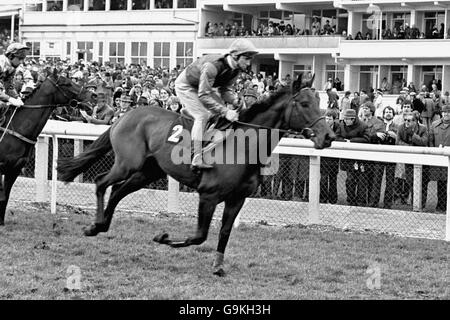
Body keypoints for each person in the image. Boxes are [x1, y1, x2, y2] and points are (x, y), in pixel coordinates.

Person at [175, 38, 257, 169]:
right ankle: (196, 157)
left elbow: (224, 90)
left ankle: (205, 141)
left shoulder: (236, 70)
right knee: (202, 115)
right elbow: (203, 95)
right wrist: (225, 111)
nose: (248, 63)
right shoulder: (213, 66)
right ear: (236, 56)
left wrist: (235, 101)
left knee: (219, 113)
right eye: (246, 58)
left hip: (204, 87)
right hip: (187, 85)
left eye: (250, 59)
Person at [0, 42, 29, 201]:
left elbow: (8, 86)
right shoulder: (0, 64)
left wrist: (17, 98)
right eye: (20, 58)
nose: (22, 61)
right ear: (11, 56)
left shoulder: (12, 67)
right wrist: (10, 99)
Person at [335, 109, 370, 206]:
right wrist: (345, 142)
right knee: (350, 179)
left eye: (347, 119)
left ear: (353, 119)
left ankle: (361, 201)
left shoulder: (363, 126)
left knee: (362, 179)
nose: (345, 121)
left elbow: (367, 139)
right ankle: (350, 200)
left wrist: (352, 141)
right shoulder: (341, 125)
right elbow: (336, 137)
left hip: (360, 157)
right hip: (347, 157)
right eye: (344, 119)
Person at [395, 111, 428, 206]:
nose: (406, 122)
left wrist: (413, 135)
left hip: (421, 158)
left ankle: (421, 204)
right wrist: (410, 146)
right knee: (410, 181)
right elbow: (398, 142)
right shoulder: (401, 127)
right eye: (405, 120)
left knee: (422, 182)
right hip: (408, 158)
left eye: (409, 120)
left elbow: (424, 142)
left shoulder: (423, 128)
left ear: (415, 121)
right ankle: (414, 202)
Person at [369, 106, 399, 209]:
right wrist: (376, 135)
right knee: (376, 180)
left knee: (390, 181)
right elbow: (370, 137)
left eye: (390, 112)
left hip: (392, 156)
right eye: (386, 112)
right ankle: (374, 203)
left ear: (393, 114)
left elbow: (401, 140)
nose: (388, 113)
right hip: (379, 154)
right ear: (383, 114)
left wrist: (395, 137)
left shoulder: (397, 127)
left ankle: (387, 204)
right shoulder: (377, 125)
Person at [428, 104, 450, 212]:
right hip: (438, 158)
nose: (446, 114)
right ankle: (441, 206)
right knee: (440, 183)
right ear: (441, 113)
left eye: (449, 112)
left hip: (449, 157)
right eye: (445, 112)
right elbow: (430, 140)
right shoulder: (434, 124)